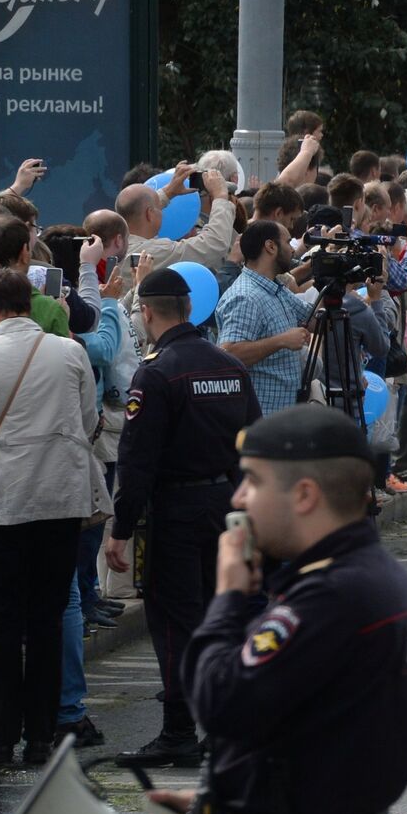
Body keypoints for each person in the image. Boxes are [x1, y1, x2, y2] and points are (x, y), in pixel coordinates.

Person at [149, 405, 407, 814]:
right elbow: (316, 737)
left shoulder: (331, 598)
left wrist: (226, 597)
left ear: (304, 495)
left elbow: (219, 701)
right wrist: (231, 809)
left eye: (253, 482)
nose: (239, 498)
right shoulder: (381, 584)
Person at [107, 268, 262, 766]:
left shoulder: (155, 373)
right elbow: (253, 443)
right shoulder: (229, 367)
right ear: (190, 309)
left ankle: (178, 731)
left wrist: (121, 529)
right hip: (225, 505)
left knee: (175, 620)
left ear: (147, 313)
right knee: (224, 615)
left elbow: (137, 461)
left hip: (174, 511)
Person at [0, 268, 104, 768]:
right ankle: (41, 735)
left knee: (1, 621)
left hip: (0, 503)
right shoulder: (69, 352)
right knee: (49, 617)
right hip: (60, 501)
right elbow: (88, 423)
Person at [216, 222, 313, 417]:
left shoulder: (275, 288)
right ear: (270, 246)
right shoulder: (246, 296)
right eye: (287, 242)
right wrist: (281, 341)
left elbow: (313, 319)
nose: (292, 250)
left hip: (281, 417)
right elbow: (228, 354)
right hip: (261, 421)